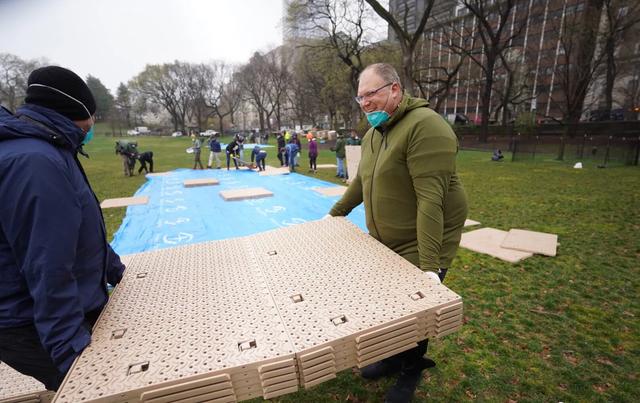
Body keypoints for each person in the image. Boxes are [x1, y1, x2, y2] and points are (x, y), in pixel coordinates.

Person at [328, 63, 468, 403]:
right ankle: (393, 357)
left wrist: (430, 267)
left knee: (413, 312)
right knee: (387, 307)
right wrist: (334, 215)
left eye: (371, 94)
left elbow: (430, 200)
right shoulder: (373, 134)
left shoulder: (427, 127)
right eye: (360, 97)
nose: (365, 103)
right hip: (387, 238)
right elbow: (361, 182)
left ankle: (411, 368)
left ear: (394, 89)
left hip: (424, 237)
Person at [0, 66, 126, 391]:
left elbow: (78, 227)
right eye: (93, 116)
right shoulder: (36, 162)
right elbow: (47, 264)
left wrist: (114, 270)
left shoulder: (51, 146)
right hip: (29, 320)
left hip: (45, 310)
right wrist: (74, 359)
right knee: (100, 390)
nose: (94, 124)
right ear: (77, 114)